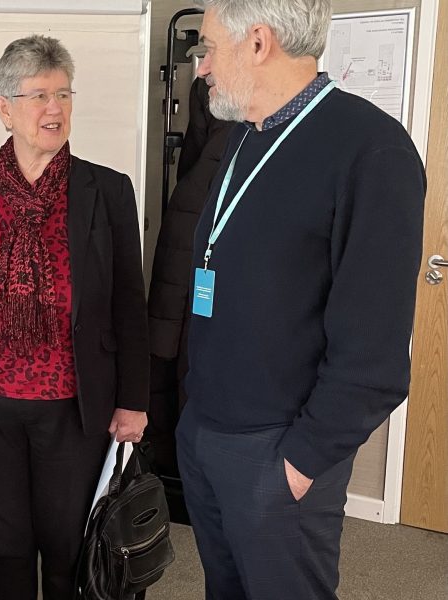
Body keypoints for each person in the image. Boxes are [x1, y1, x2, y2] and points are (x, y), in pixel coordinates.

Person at [178, 1, 426, 599]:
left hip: (279, 451)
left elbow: (375, 358)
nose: (201, 68)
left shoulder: (372, 151)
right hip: (206, 432)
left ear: (258, 42)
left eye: (208, 48)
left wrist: (299, 464)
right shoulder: (237, 139)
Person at [0, 35, 150, 600]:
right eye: (40, 94)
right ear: (4, 108)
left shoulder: (106, 190)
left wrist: (134, 399)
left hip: (74, 406)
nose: (55, 109)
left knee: (67, 544)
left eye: (64, 94)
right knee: (6, 542)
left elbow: (128, 303)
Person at [145, 76, 235, 481]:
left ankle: (176, 465)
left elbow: (191, 158)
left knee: (178, 357)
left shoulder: (209, 91)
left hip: (187, 235)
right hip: (194, 248)